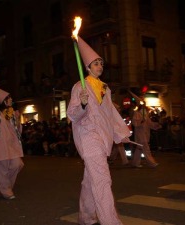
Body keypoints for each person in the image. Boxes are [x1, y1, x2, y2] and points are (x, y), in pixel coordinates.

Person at [67, 36, 131, 225]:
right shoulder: (80, 87)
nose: (99, 66)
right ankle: (110, 221)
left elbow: (111, 113)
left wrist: (121, 133)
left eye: (101, 63)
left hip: (103, 138)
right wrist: (83, 104)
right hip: (88, 137)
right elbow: (72, 114)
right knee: (102, 180)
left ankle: (86, 216)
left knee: (91, 180)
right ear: (87, 67)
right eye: (95, 63)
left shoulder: (105, 88)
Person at [130, 99, 161, 168]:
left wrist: (156, 125)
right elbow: (135, 123)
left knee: (139, 149)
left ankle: (135, 163)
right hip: (140, 134)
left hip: (145, 134)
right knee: (146, 149)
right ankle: (151, 163)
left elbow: (149, 124)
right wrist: (141, 122)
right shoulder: (137, 113)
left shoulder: (146, 114)